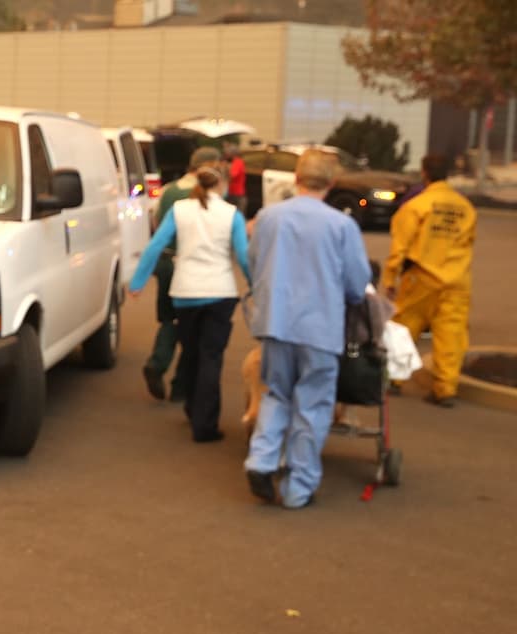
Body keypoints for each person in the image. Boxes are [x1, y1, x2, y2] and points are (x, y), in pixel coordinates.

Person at [243, 150, 370, 509]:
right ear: (332, 182)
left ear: (296, 178)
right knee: (312, 405)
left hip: (275, 322)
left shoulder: (269, 218)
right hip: (320, 327)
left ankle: (261, 460)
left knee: (276, 393)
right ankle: (299, 486)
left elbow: (254, 264)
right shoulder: (341, 226)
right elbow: (356, 282)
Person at [130, 165, 250, 443]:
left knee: (192, 353)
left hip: (185, 292)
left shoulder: (179, 210)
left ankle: (192, 406)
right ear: (222, 184)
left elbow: (155, 245)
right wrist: (256, 285)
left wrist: (138, 281)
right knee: (211, 357)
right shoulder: (232, 214)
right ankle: (204, 423)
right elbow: (244, 256)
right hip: (220, 292)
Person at [380, 154, 477, 407]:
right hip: (457, 280)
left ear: (424, 173)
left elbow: (400, 247)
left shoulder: (416, 206)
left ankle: (394, 379)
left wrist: (390, 278)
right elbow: (469, 242)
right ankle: (445, 389)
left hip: (422, 276)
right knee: (451, 333)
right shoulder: (465, 208)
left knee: (404, 326)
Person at [141, 146, 224, 402]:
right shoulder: (206, 194)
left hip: (166, 261)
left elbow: (156, 222)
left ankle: (157, 363)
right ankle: (181, 385)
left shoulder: (169, 190)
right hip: (194, 266)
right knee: (195, 329)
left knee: (170, 319)